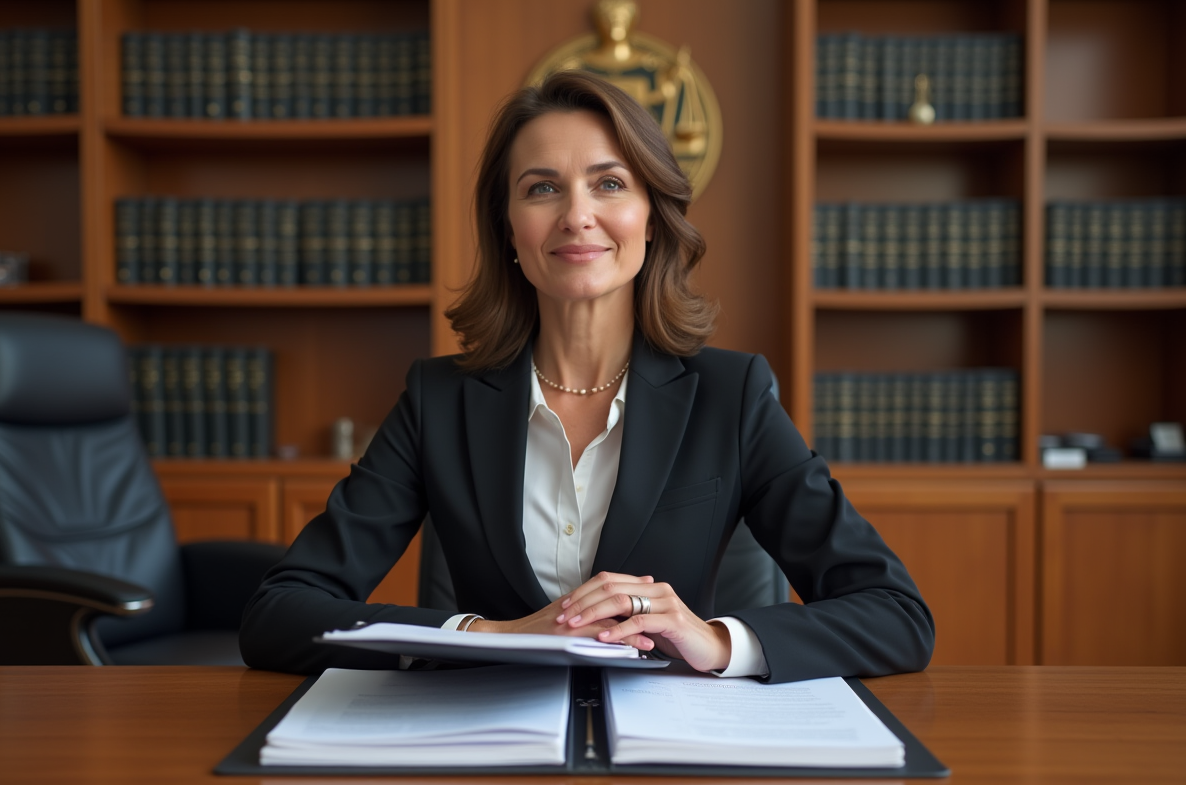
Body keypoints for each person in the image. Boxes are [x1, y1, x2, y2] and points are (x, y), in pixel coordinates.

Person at [240, 70, 934, 683]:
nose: (577, 216)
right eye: (542, 188)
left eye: (609, 183)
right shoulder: (437, 400)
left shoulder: (733, 396)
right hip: (488, 749)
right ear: (509, 230)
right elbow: (279, 613)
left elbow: (896, 615)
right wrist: (486, 636)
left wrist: (714, 640)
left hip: (670, 750)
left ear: (650, 218)